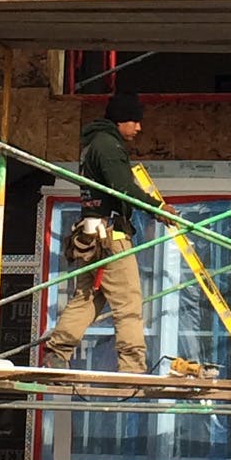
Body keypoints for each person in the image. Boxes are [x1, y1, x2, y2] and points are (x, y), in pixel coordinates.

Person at [44, 91, 161, 373]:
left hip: (91, 232)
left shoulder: (95, 145)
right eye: (134, 121)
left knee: (88, 297)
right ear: (120, 120)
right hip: (110, 236)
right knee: (129, 301)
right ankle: (133, 366)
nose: (138, 127)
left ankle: (58, 351)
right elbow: (124, 188)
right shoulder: (108, 146)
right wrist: (157, 208)